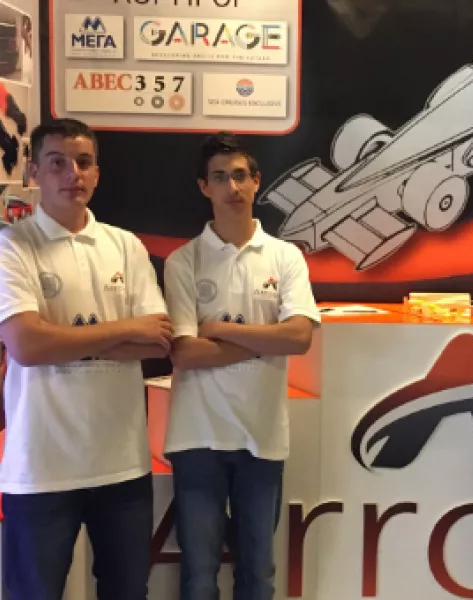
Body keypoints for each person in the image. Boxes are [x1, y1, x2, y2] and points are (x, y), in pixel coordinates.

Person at [0, 118, 173, 600]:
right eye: (57, 162)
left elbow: (157, 341)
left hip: (121, 466)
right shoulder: (12, 246)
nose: (72, 173)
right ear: (34, 171)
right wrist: (124, 329)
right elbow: (27, 346)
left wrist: (63, 337)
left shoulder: (125, 245)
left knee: (126, 592)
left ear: (97, 173)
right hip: (40, 467)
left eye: (83, 162)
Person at [163, 132, 320, 600]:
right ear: (204, 187)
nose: (231, 187)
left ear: (256, 182)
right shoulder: (183, 261)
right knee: (198, 575)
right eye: (219, 177)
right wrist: (267, 340)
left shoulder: (285, 256)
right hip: (197, 436)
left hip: (262, 436)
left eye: (239, 176)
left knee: (258, 573)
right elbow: (185, 353)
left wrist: (220, 329)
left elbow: (300, 337)